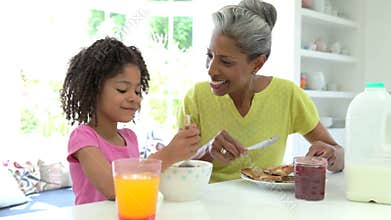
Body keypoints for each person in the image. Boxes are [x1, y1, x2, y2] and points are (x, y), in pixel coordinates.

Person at [177, 0, 344, 183]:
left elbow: (339, 156)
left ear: (257, 63)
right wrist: (207, 152)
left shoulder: (288, 95)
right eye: (209, 56)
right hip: (207, 206)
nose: (211, 70)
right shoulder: (195, 98)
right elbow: (177, 171)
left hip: (267, 205)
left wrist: (330, 155)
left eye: (226, 62)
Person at [60, 37, 200, 205]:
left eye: (138, 91)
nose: (134, 98)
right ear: (93, 90)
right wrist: (167, 155)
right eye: (123, 89)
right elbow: (113, 188)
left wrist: (180, 154)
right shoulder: (83, 137)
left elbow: (139, 186)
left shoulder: (130, 138)